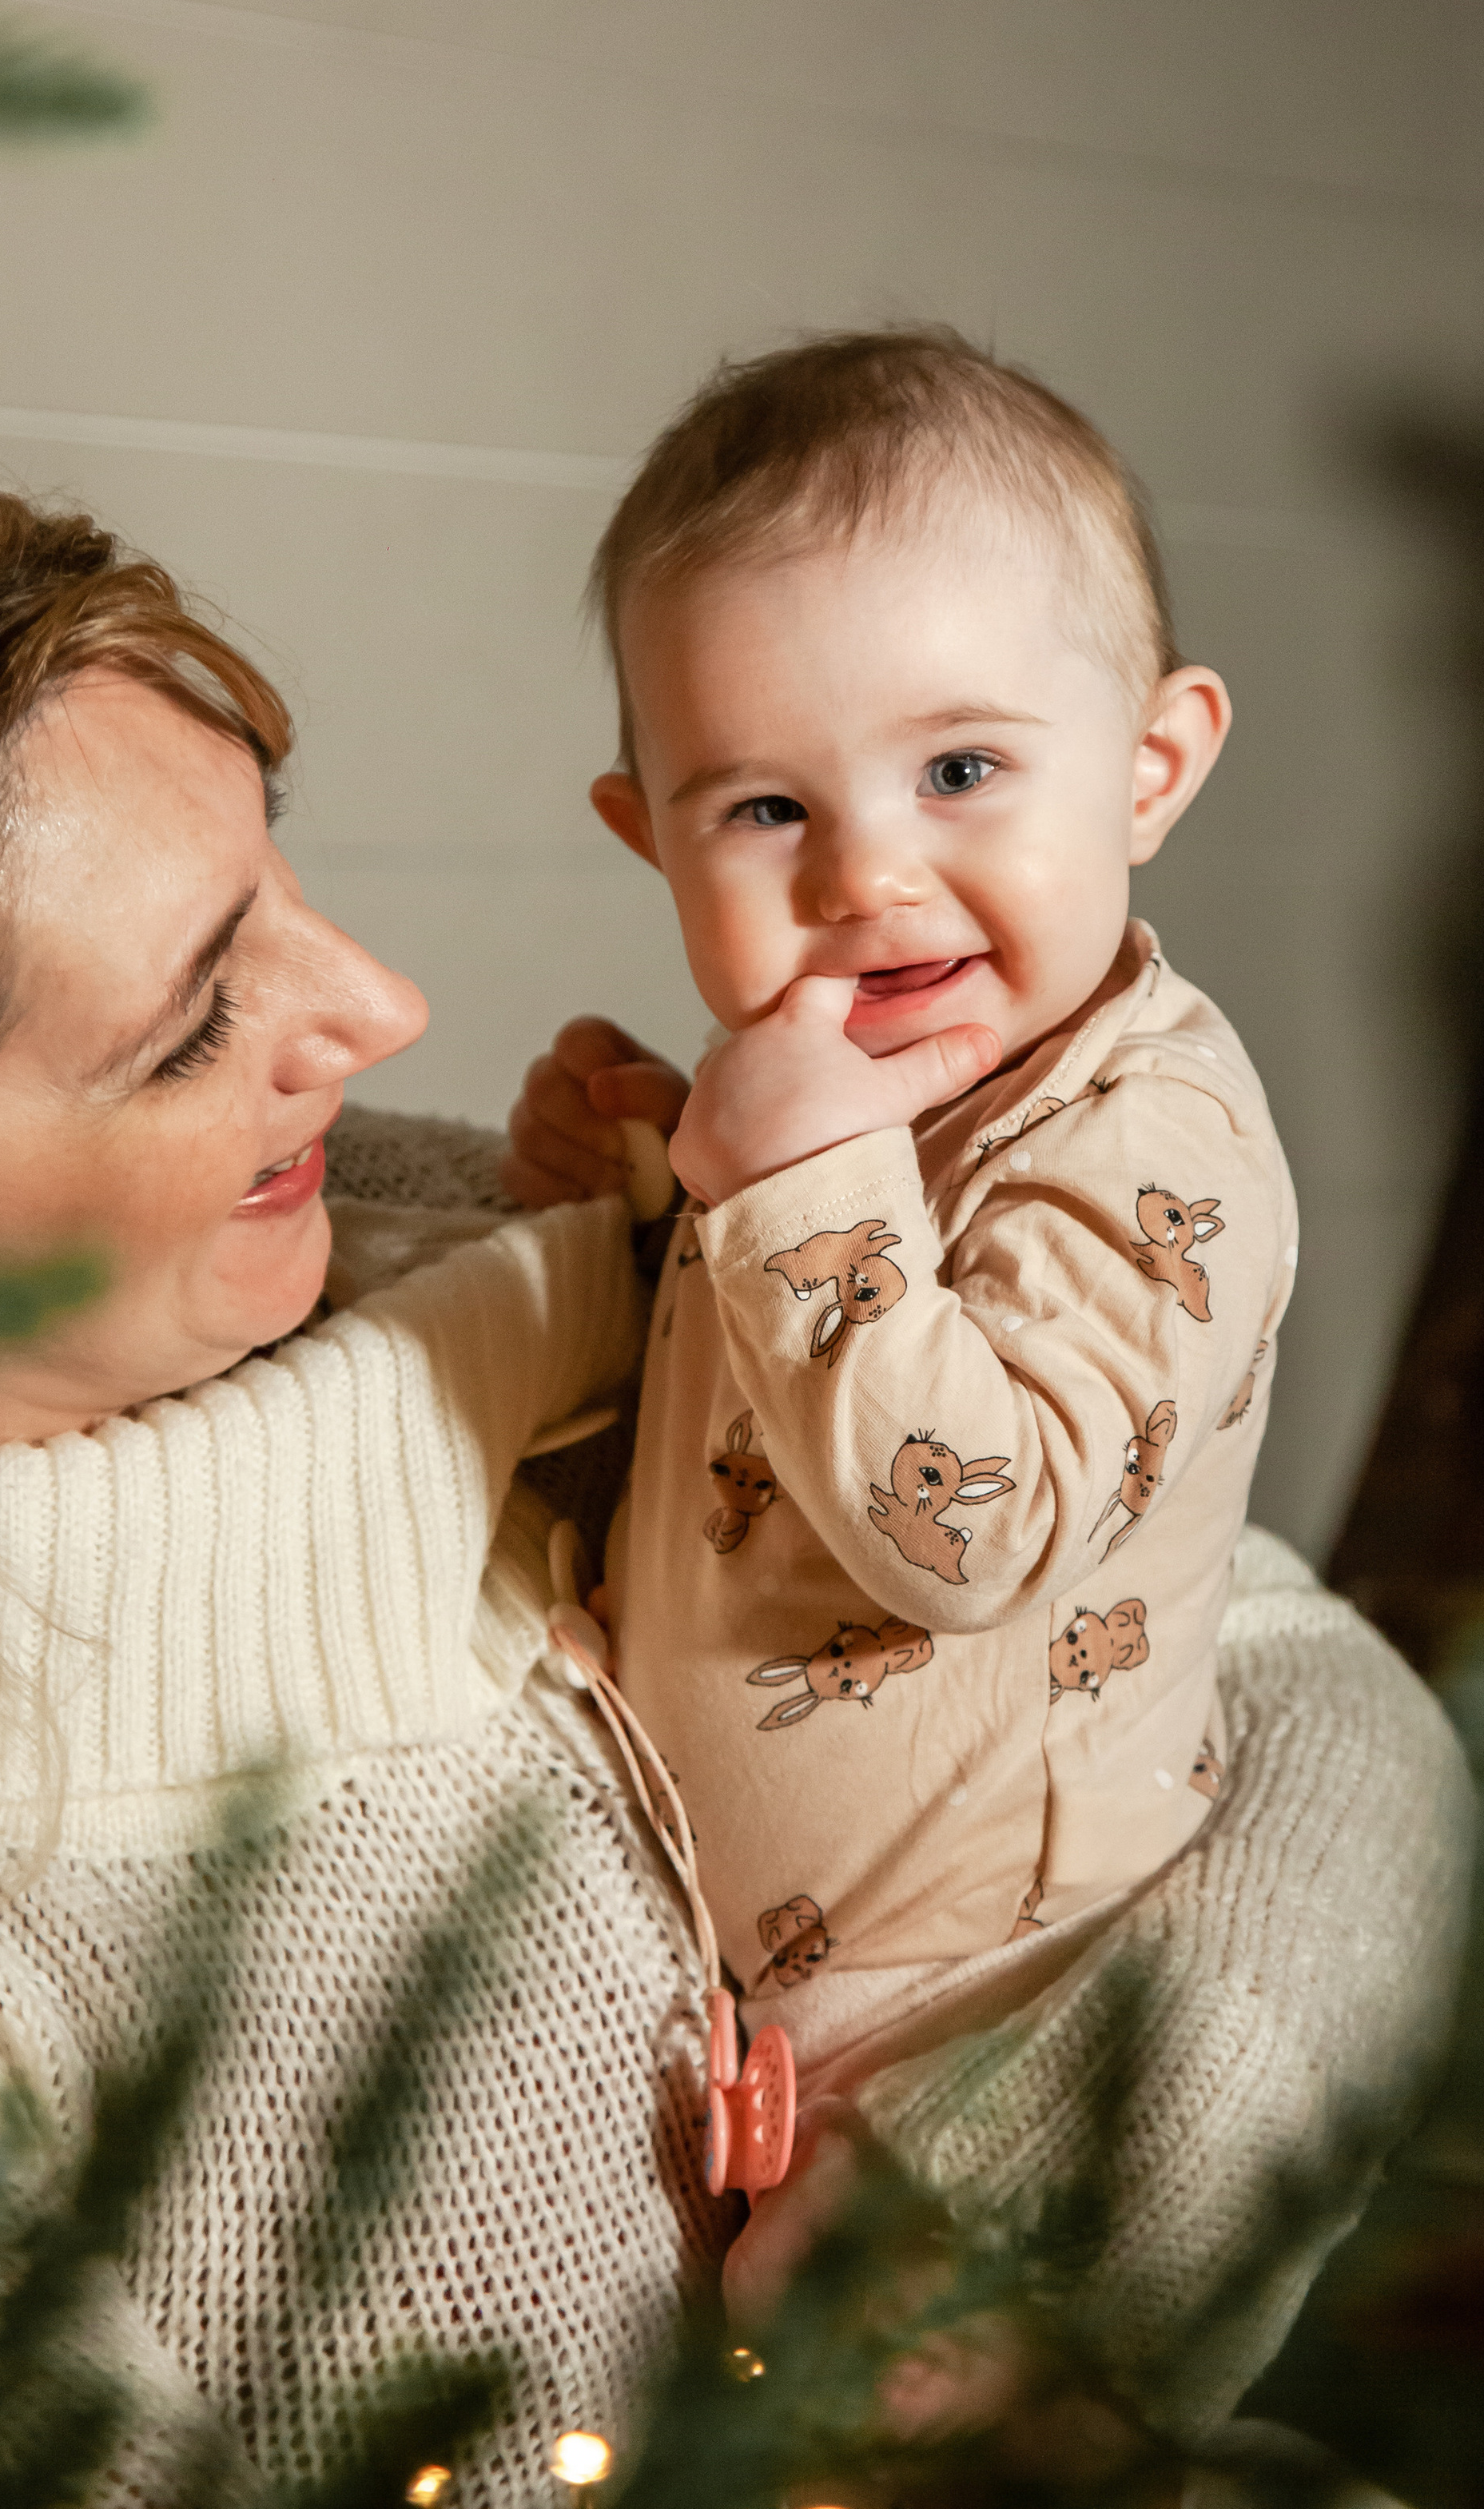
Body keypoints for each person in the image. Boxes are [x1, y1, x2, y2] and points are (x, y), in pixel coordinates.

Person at [0, 447, 729, 2495]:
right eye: (188, 1027)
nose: (384, 1007)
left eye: (279, 875)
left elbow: (1296, 1680)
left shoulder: (474, 1224)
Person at [501, 329, 1301, 2297]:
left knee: (894, 2409)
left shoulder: (1155, 1141)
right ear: (650, 837)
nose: (870, 876)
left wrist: (779, 1188)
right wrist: (631, 1179)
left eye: (960, 769)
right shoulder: (828, 1094)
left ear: (1149, 766)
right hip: (752, 1965)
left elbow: (968, 1520)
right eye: (764, 809)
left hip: (990, 1997)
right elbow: (738, 1417)